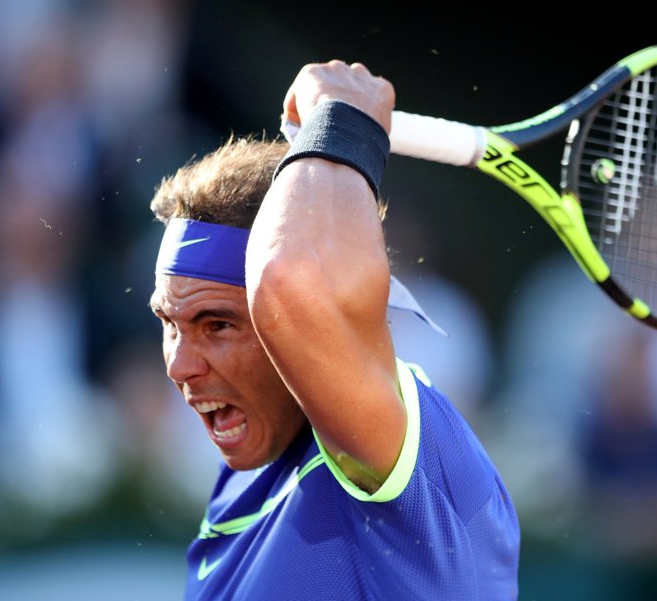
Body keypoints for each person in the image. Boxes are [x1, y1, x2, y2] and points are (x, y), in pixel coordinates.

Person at [147, 60, 520, 600]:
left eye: (219, 324)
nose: (181, 365)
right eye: (171, 324)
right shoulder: (248, 472)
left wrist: (345, 122)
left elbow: (290, 280)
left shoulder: (388, 447)